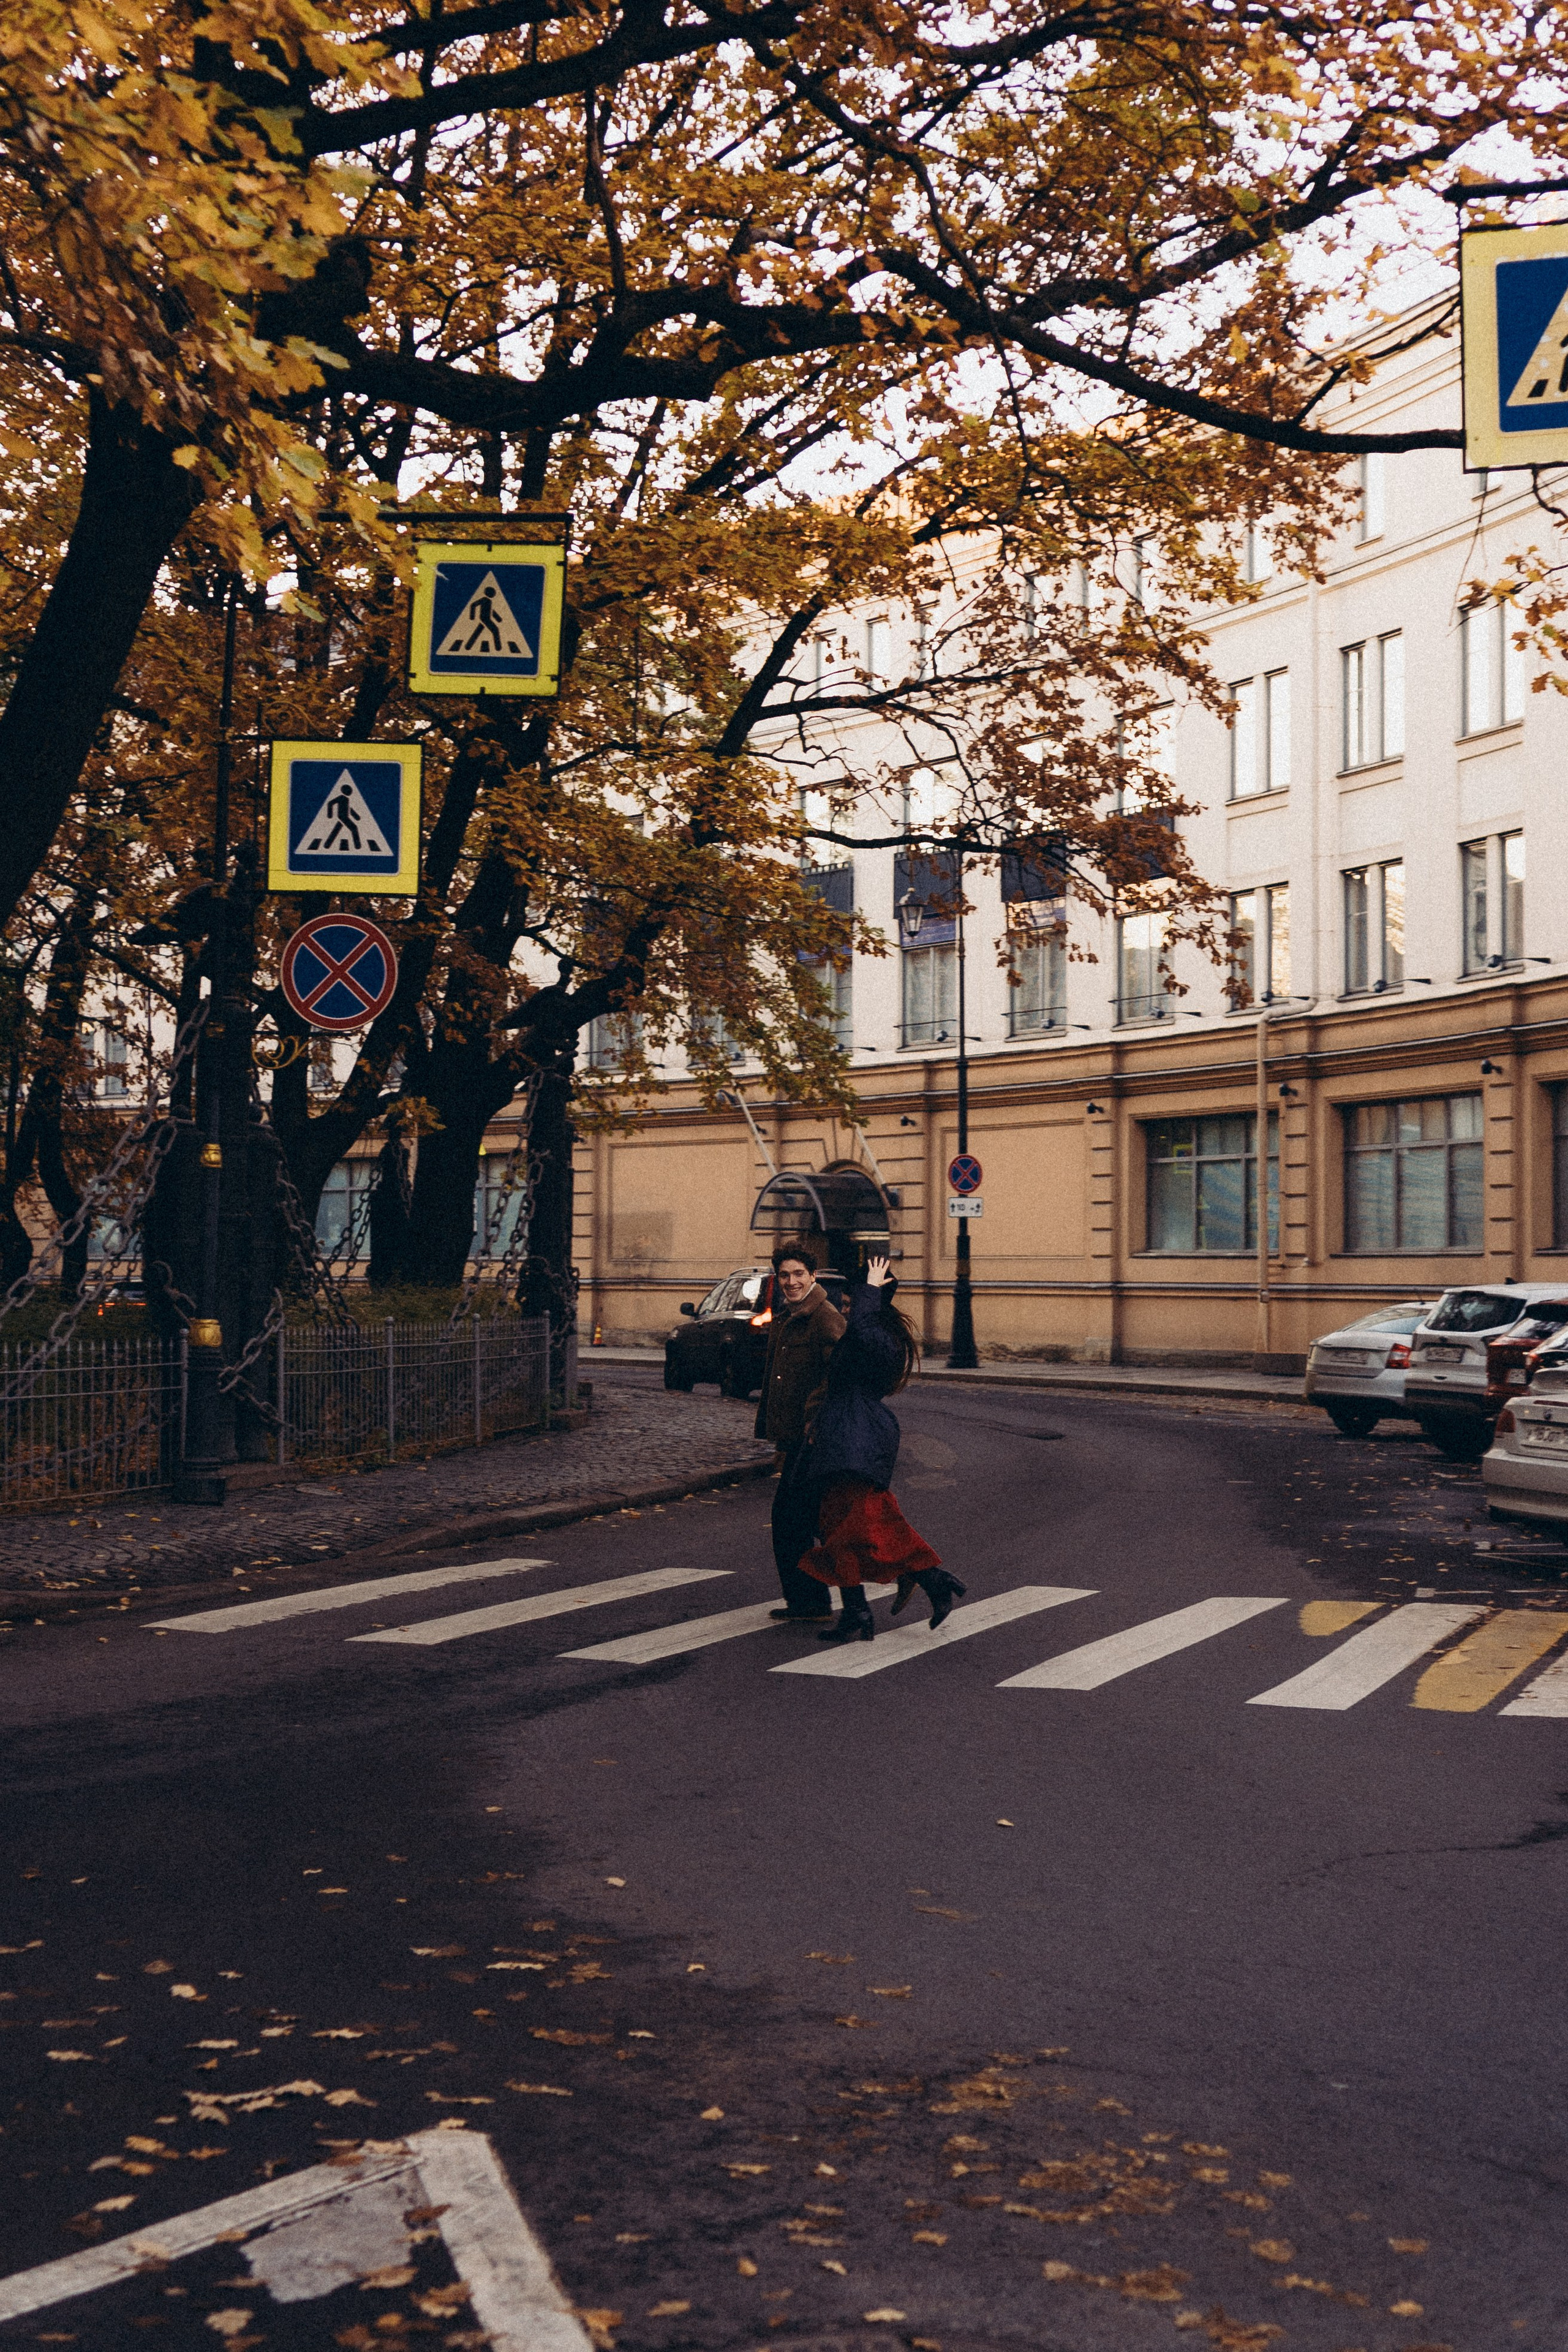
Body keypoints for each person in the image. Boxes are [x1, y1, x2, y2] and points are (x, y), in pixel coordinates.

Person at [798, 1254, 966, 1643]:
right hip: (843, 1436)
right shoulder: (867, 1330)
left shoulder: (879, 1337)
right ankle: (864, 1608)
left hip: (857, 1439)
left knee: (857, 1527)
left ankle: (926, 1581)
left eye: (851, 1298)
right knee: (841, 1528)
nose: (845, 1304)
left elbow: (860, 1332)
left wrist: (872, 1290)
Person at [755, 1243, 845, 1622]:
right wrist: (782, 1442)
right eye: (785, 1275)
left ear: (813, 1276)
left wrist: (813, 1414)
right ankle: (811, 1601)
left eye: (798, 1275)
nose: (791, 1282)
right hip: (798, 1440)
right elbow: (780, 1382)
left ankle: (812, 1602)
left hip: (817, 1439)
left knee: (795, 1520)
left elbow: (843, 1372)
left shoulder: (823, 1317)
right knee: (809, 1522)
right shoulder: (787, 1316)